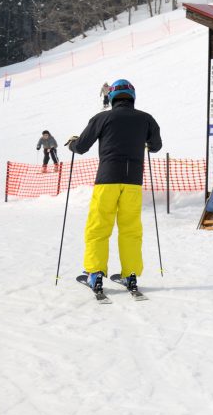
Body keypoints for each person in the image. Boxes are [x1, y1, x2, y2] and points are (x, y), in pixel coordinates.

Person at [68, 79, 161, 294]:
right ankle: (130, 275)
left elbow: (81, 147)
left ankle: (95, 274)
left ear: (111, 98)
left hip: (107, 180)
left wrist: (73, 142)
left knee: (99, 227)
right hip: (133, 183)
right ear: (132, 97)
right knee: (130, 229)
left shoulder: (102, 117)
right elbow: (156, 146)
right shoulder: (146, 119)